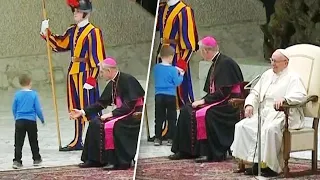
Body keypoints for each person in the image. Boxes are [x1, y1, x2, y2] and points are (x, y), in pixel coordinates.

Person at [40, 0, 106, 151]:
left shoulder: (93, 32)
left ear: (86, 13)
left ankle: (98, 139)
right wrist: (46, 33)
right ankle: (77, 140)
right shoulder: (72, 30)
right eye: (74, 11)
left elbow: (98, 59)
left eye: (77, 11)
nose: (75, 13)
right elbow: (60, 44)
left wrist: (92, 79)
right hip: (73, 73)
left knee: (90, 107)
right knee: (75, 107)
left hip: (86, 73)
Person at [230, 49, 307, 177]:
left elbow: (301, 96)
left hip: (283, 114)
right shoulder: (266, 75)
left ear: (286, 63)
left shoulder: (293, 77)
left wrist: (285, 99)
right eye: (271, 60)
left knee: (270, 129)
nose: (273, 64)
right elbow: (255, 92)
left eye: (276, 61)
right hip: (264, 112)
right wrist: (249, 104)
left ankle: (272, 167)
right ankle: (254, 163)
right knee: (243, 126)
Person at [168, 36, 244, 163]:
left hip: (229, 104)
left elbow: (224, 92)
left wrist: (204, 101)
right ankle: (186, 151)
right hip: (219, 100)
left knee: (206, 114)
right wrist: (203, 100)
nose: (200, 54)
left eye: (200, 52)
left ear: (206, 51)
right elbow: (213, 91)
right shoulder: (217, 62)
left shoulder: (225, 63)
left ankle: (209, 153)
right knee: (186, 109)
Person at [70, 57, 145, 170]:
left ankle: (119, 162)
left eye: (101, 72)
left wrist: (111, 114)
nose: (100, 75)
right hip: (121, 113)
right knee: (95, 122)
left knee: (112, 126)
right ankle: (95, 160)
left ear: (109, 71)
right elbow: (101, 103)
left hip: (133, 113)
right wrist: (82, 112)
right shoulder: (113, 83)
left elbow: (130, 104)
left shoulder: (128, 79)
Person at [156, 0, 198, 108]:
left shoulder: (184, 10)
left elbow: (189, 45)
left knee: (182, 93)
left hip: (176, 56)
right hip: (162, 55)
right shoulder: (162, 8)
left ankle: (188, 121)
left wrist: (181, 66)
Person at [153, 45, 184, 146]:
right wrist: (181, 75)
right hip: (170, 96)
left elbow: (162, 70)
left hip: (158, 95)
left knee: (159, 117)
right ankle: (171, 138)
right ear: (171, 57)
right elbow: (177, 83)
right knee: (172, 117)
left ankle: (157, 138)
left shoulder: (156, 68)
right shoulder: (173, 70)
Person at [12, 74, 45, 169]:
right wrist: (41, 119)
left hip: (19, 121)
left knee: (18, 142)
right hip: (31, 121)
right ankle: (36, 159)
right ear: (30, 82)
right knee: (33, 140)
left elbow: (14, 108)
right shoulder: (33, 94)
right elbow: (38, 109)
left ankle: (17, 161)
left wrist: (16, 117)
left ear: (20, 83)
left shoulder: (17, 94)